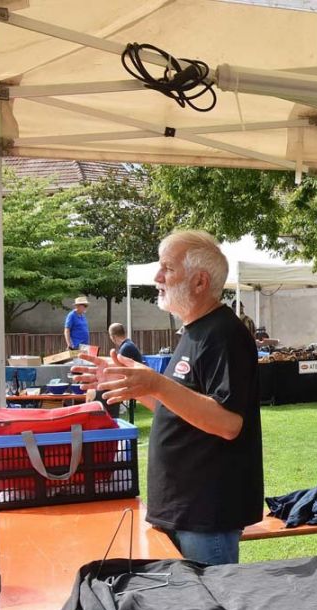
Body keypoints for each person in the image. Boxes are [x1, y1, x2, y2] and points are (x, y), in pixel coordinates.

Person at [73, 230, 263, 565]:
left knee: (208, 600)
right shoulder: (196, 330)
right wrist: (137, 384)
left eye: (168, 268)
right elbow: (179, 410)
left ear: (200, 282)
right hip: (182, 511)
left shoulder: (224, 334)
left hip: (205, 516)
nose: (157, 277)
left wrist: (157, 384)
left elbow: (228, 422)